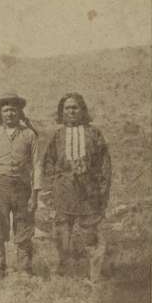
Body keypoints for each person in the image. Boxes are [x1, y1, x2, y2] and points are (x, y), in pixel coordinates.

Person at [43, 93, 112, 280]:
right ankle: (63, 274)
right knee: (62, 235)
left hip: (88, 193)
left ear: (82, 110)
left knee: (91, 235)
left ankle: (94, 277)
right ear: (62, 112)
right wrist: (51, 187)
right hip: (63, 192)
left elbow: (104, 164)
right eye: (67, 108)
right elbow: (48, 162)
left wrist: (102, 192)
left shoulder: (94, 134)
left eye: (75, 107)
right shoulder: (58, 135)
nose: (71, 111)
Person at [0, 92, 41, 277]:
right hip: (0, 186)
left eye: (13, 111)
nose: (10, 114)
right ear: (0, 113)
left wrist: (35, 194)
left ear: (19, 113)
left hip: (22, 188)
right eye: (6, 111)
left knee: (24, 229)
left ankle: (24, 270)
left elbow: (37, 165)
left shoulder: (29, 134)